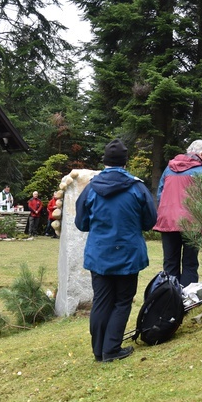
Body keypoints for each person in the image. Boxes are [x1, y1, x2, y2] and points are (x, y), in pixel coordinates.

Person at [75, 139, 157, 363]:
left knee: (101, 301)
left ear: (105, 161)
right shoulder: (137, 187)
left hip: (99, 253)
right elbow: (150, 220)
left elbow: (81, 223)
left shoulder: (90, 189)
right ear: (125, 161)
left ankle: (99, 350)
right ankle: (110, 349)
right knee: (122, 301)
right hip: (128, 253)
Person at [154, 140, 202, 286]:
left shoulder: (169, 168)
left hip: (168, 221)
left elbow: (160, 195)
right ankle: (187, 302)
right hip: (192, 223)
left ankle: (169, 300)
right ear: (201, 154)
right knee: (190, 263)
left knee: (170, 263)